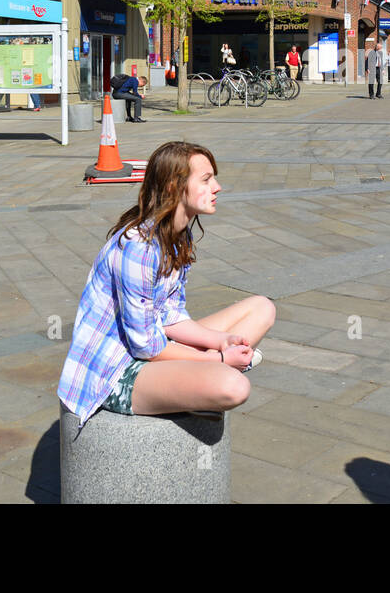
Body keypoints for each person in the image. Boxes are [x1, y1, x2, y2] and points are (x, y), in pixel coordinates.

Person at [58, 141, 276, 427]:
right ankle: (203, 383)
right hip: (116, 371)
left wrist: (221, 342)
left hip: (154, 345)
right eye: (207, 179)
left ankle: (198, 383)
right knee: (234, 387)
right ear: (174, 187)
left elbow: (171, 315)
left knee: (262, 308)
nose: (217, 187)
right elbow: (145, 347)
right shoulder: (138, 247)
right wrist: (218, 360)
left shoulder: (177, 235)